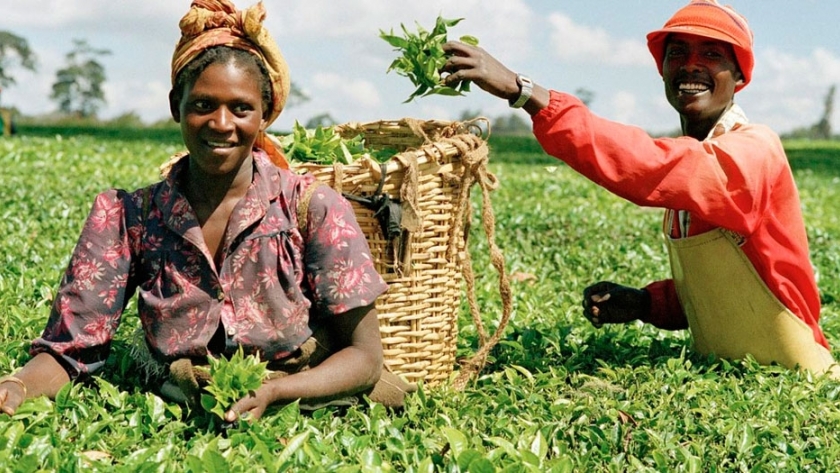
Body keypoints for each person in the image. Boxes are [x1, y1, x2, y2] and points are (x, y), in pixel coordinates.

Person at [0, 0, 409, 421]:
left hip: (298, 395)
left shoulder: (312, 207)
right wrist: (17, 386)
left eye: (241, 108)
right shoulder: (128, 216)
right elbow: (71, 349)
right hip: (181, 402)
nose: (221, 122)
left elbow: (364, 358)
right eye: (203, 105)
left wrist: (278, 391)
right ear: (177, 104)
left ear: (265, 114)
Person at [440, 0, 838, 376]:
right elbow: (727, 294)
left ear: (739, 77)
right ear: (663, 70)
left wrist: (525, 92)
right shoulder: (697, 163)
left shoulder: (754, 150)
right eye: (677, 54)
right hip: (728, 369)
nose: (691, 66)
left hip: (795, 369)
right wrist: (646, 303)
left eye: (712, 55)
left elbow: (651, 165)